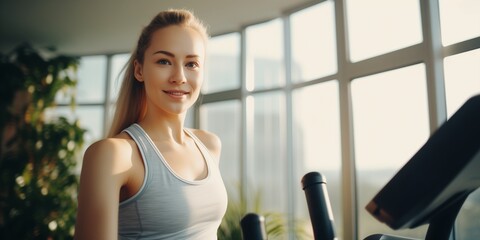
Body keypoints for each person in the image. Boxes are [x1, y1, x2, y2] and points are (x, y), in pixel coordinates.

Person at [74, 9, 228, 240]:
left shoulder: (209, 145)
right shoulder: (113, 155)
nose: (179, 77)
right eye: (164, 61)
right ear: (139, 70)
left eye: (191, 64)